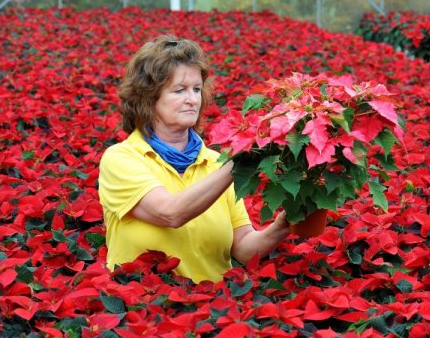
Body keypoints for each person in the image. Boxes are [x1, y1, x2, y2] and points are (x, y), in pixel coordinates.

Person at [98, 35, 290, 283]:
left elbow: (243, 248)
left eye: (197, 89)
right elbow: (170, 213)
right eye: (179, 90)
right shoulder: (121, 159)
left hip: (211, 313)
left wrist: (285, 225)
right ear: (148, 97)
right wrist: (239, 162)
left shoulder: (217, 163)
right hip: (145, 306)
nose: (192, 99)